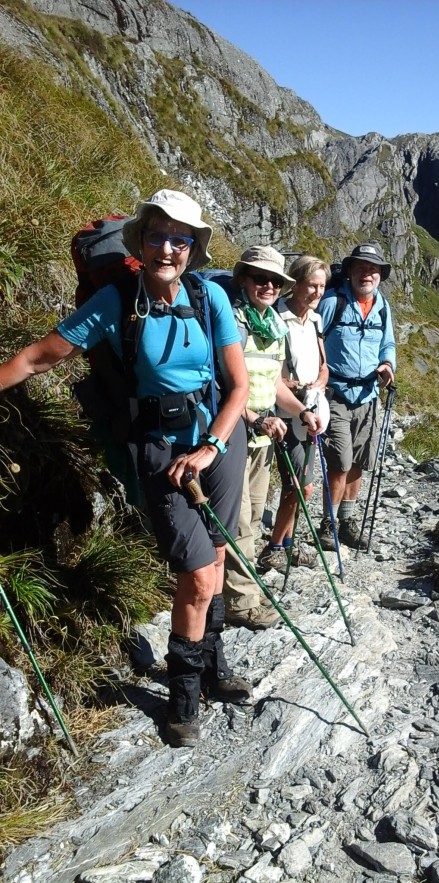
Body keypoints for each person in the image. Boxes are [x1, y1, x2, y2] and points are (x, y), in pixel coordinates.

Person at [0, 189, 251, 749]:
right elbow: (42, 355)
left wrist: (212, 445)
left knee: (216, 553)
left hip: (217, 443)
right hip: (159, 452)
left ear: (193, 248)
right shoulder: (117, 301)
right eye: (157, 235)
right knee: (198, 574)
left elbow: (239, 388)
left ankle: (211, 668)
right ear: (140, 240)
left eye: (179, 239)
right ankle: (183, 699)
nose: (168, 248)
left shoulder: (209, 298)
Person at [223, 246, 323, 629]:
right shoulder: (232, 323)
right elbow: (222, 385)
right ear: (244, 280)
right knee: (243, 520)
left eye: (274, 281)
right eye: (259, 278)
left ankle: (238, 591)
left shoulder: (272, 328)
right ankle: (243, 601)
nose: (267, 286)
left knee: (249, 517)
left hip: (263, 439)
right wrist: (253, 417)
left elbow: (277, 386)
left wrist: (302, 412)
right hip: (236, 433)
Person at [316, 242, 396, 550]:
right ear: (349, 271)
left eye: (373, 269)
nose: (367, 274)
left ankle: (347, 522)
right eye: (361, 268)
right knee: (340, 461)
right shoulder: (333, 301)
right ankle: (329, 524)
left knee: (361, 460)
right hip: (335, 393)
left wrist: (387, 364)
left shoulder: (382, 306)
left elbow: (388, 344)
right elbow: (313, 336)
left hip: (369, 394)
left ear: (380, 276)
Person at [257, 255, 331, 572]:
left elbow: (325, 366)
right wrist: (295, 386)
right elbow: (271, 372)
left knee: (305, 486)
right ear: (296, 284)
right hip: (285, 415)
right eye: (311, 285)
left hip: (310, 411)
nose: (316, 292)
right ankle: (275, 547)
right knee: (300, 485)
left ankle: (286, 543)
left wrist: (319, 382)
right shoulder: (278, 318)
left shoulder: (314, 320)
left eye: (322, 286)